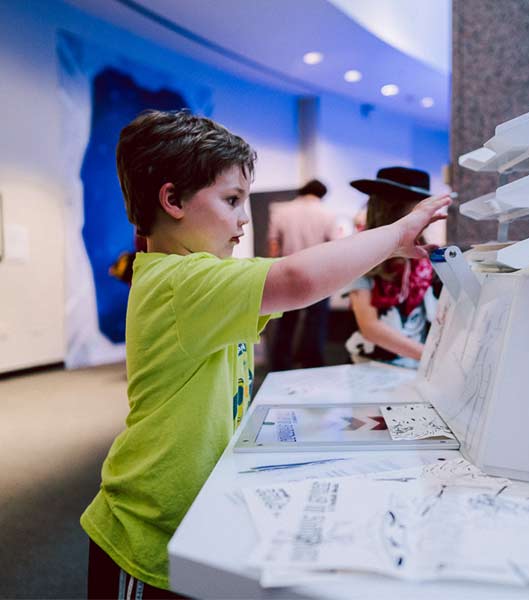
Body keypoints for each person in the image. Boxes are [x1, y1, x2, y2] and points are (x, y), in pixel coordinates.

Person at [80, 109, 450, 598]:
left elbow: (291, 278)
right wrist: (391, 238)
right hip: (145, 529)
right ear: (172, 200)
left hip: (189, 514)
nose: (242, 219)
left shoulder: (200, 277)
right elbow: (296, 280)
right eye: (232, 200)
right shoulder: (179, 282)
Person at [344, 166, 439, 369]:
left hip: (418, 366)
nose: (426, 219)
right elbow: (370, 326)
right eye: (418, 209)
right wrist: (430, 356)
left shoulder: (425, 257)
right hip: (375, 366)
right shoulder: (361, 255)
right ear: (395, 210)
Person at [267, 179, 338, 370]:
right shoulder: (328, 214)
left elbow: (274, 245)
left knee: (285, 322)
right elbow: (334, 246)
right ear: (321, 195)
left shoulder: (282, 212)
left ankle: (280, 365)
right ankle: (311, 364)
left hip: (288, 273)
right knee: (315, 323)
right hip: (319, 274)